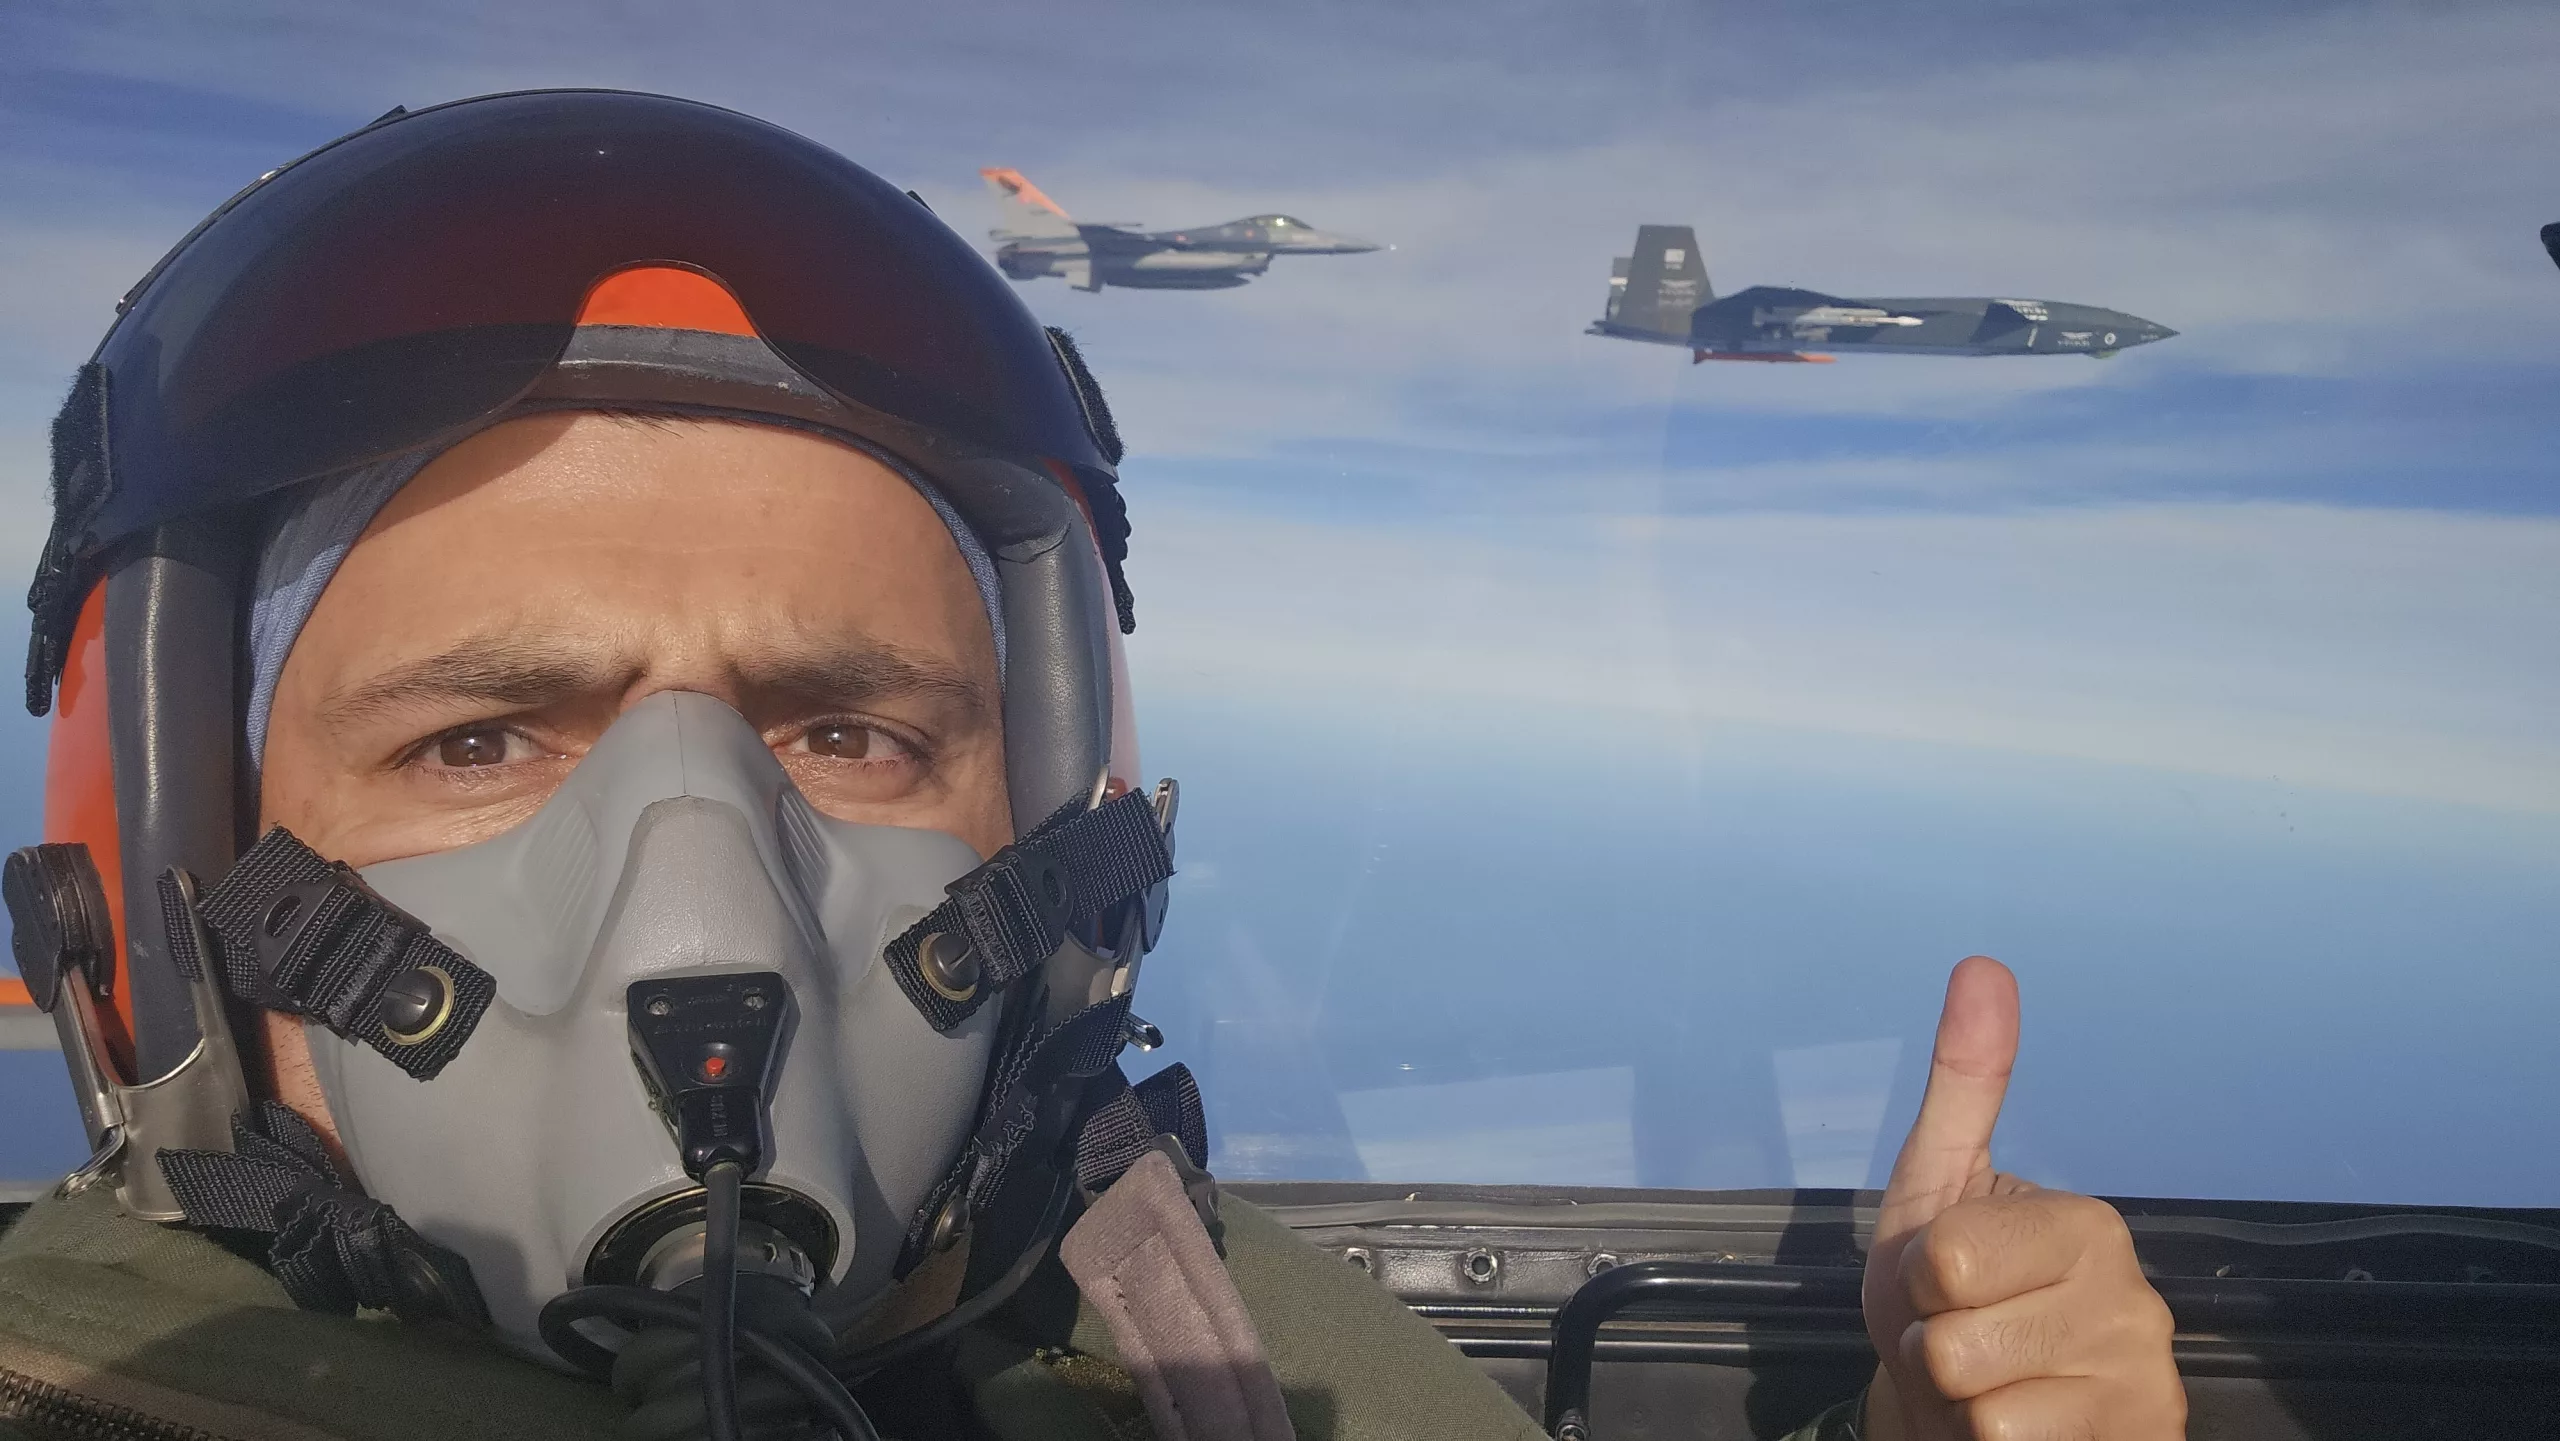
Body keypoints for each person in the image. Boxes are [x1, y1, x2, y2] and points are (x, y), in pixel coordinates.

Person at [0, 91, 2182, 1441]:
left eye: (847, 732)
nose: (703, 903)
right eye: (481, 737)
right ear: (169, 896)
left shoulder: (1217, 1350)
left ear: (1056, 850)